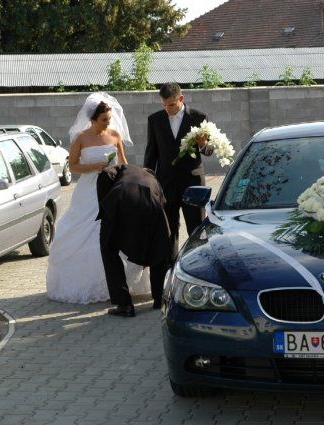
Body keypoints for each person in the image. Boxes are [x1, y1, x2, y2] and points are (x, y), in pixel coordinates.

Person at [46, 92, 150, 304]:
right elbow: (73, 166)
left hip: (113, 189)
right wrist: (95, 166)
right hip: (89, 190)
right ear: (92, 119)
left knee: (116, 230)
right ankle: (89, 284)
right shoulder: (80, 138)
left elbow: (123, 162)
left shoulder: (114, 135)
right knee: (88, 231)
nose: (108, 123)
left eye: (109, 119)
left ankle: (120, 285)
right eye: (104, 120)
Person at [144, 82, 214, 262]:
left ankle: (198, 264)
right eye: (164, 105)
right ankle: (171, 269)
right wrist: (148, 182)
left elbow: (210, 150)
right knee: (169, 230)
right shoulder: (154, 120)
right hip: (166, 183)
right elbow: (151, 154)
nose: (168, 109)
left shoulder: (199, 117)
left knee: (196, 229)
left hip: (193, 183)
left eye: (171, 105)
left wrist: (202, 144)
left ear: (181, 98)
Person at [97, 164, 172, 317]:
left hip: (121, 198)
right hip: (152, 204)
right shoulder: (152, 179)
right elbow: (163, 203)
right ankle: (160, 299)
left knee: (108, 248)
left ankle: (124, 304)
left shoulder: (115, 170)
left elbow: (104, 184)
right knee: (159, 249)